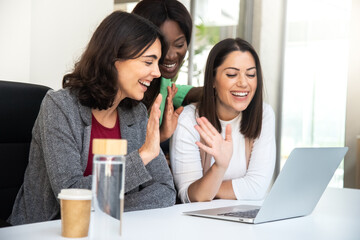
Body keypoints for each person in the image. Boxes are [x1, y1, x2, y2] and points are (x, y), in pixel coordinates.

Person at [8, 11, 176, 225]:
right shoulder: (60, 107)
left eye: (157, 62)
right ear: (114, 58)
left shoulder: (137, 113)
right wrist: (142, 156)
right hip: (49, 230)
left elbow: (165, 190)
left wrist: (106, 211)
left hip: (109, 229)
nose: (157, 72)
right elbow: (69, 193)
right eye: (148, 62)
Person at [170, 38, 276, 203]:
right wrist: (219, 167)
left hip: (245, 220)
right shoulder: (189, 120)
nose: (243, 83)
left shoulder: (264, 114)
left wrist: (208, 189)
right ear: (212, 79)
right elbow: (190, 197)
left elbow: (257, 188)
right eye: (232, 74)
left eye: (251, 74)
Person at [132, 0, 202, 145]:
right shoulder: (126, 88)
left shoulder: (162, 81)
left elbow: (175, 91)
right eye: (162, 46)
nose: (170, 55)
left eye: (179, 44)